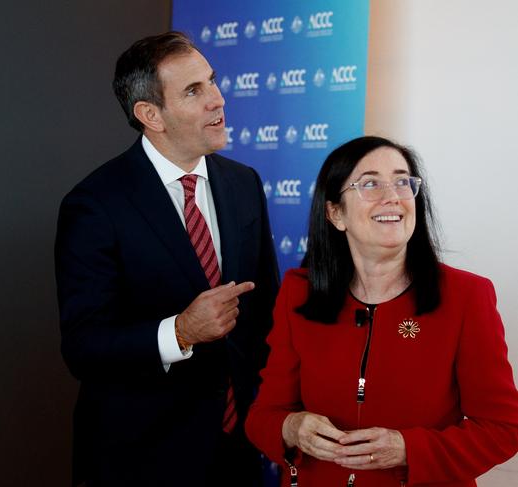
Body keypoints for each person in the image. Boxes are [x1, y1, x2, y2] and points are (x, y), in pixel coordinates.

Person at [54, 31, 280, 487]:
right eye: (194, 91)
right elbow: (84, 346)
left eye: (212, 82)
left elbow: (265, 312)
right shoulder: (95, 204)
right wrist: (179, 331)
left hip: (238, 450)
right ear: (149, 114)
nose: (218, 99)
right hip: (143, 457)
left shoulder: (244, 183)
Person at [245, 135, 518, 486]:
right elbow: (262, 417)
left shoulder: (467, 296)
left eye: (403, 181)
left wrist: (408, 448)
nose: (393, 196)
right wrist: (291, 427)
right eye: (370, 183)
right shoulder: (299, 293)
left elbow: (503, 429)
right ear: (335, 213)